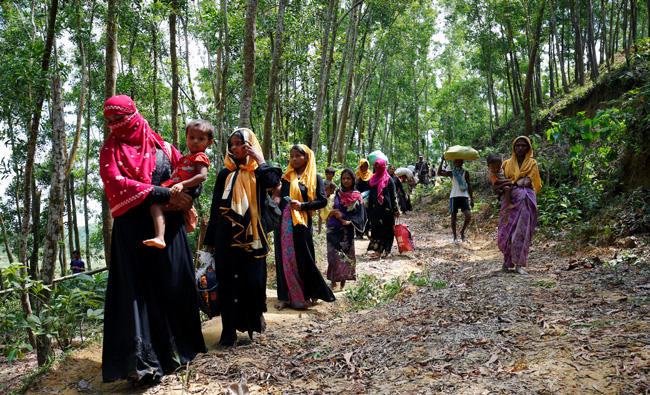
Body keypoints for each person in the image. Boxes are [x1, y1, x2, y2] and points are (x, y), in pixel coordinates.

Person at [99, 95, 206, 384]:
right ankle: (144, 365)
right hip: (133, 234)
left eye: (119, 120)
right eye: (109, 122)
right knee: (138, 294)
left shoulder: (164, 147)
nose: (114, 127)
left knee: (173, 285)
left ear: (134, 116)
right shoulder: (111, 152)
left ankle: (181, 351)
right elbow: (116, 184)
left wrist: (185, 199)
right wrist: (159, 194)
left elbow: (186, 176)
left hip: (168, 230)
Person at [203, 128, 281, 347]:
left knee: (253, 281)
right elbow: (215, 208)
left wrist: (258, 156)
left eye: (240, 144)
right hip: (225, 237)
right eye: (232, 145)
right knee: (227, 283)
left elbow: (274, 182)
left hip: (253, 236)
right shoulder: (224, 174)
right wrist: (209, 243)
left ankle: (254, 318)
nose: (235, 149)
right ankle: (229, 333)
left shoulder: (259, 171)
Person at [273, 144, 335, 309]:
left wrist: (303, 205)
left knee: (303, 257)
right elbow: (278, 197)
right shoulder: (286, 177)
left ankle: (308, 294)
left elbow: (322, 201)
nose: (293, 159)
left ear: (307, 157)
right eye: (291, 156)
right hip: (284, 222)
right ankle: (285, 296)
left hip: (302, 223)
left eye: (297, 156)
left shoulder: (315, 177)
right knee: (284, 258)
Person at [144, 120, 213, 248]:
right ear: (186, 137)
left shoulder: (200, 157)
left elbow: (202, 176)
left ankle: (160, 237)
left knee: (155, 207)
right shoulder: (186, 157)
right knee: (156, 206)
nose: (195, 141)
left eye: (200, 139)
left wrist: (182, 185)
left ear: (209, 143)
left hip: (182, 191)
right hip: (175, 189)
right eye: (191, 137)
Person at [494, 136, 542, 275]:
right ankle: (506, 262)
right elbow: (499, 181)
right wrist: (515, 182)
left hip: (525, 201)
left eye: (523, 146)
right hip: (509, 201)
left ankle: (519, 264)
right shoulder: (507, 164)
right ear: (514, 148)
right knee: (507, 231)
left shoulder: (532, 163)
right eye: (518, 146)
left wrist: (512, 182)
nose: (520, 148)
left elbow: (528, 182)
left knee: (521, 232)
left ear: (528, 148)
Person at [326, 169, 366, 290]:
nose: (346, 180)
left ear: (353, 180)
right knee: (332, 255)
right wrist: (332, 212)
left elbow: (360, 214)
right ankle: (333, 280)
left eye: (348, 178)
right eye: (343, 178)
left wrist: (345, 219)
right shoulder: (337, 193)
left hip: (346, 230)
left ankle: (343, 280)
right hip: (333, 227)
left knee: (344, 256)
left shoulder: (357, 195)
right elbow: (331, 206)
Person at [367, 159, 400, 259]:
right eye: (375, 166)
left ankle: (387, 250)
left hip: (387, 210)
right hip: (375, 210)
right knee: (377, 230)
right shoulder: (372, 179)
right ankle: (378, 251)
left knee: (388, 230)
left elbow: (393, 196)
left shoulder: (389, 180)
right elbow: (370, 195)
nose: (377, 168)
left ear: (383, 167)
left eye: (379, 166)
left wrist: (396, 209)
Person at [437, 156, 474, 244]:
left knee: (468, 216)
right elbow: (439, 173)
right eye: (456, 161)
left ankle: (462, 232)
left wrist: (472, 198)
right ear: (454, 163)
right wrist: (442, 160)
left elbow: (469, 185)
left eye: (459, 161)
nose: (457, 163)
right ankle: (454, 237)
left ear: (462, 163)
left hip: (464, 196)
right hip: (454, 196)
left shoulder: (466, 172)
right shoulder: (452, 173)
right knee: (453, 217)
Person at [354, 159, 372, 239]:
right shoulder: (357, 174)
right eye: (362, 166)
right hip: (358, 198)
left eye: (366, 166)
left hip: (368, 199)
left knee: (367, 215)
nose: (364, 167)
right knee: (358, 215)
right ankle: (358, 233)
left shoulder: (370, 175)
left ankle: (367, 231)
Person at [318, 167, 337, 234]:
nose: (329, 176)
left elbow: (332, 193)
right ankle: (319, 231)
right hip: (322, 199)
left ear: (333, 175)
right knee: (320, 215)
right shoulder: (322, 182)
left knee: (328, 215)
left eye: (330, 174)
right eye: (327, 174)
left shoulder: (333, 184)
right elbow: (320, 191)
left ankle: (328, 229)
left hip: (329, 200)